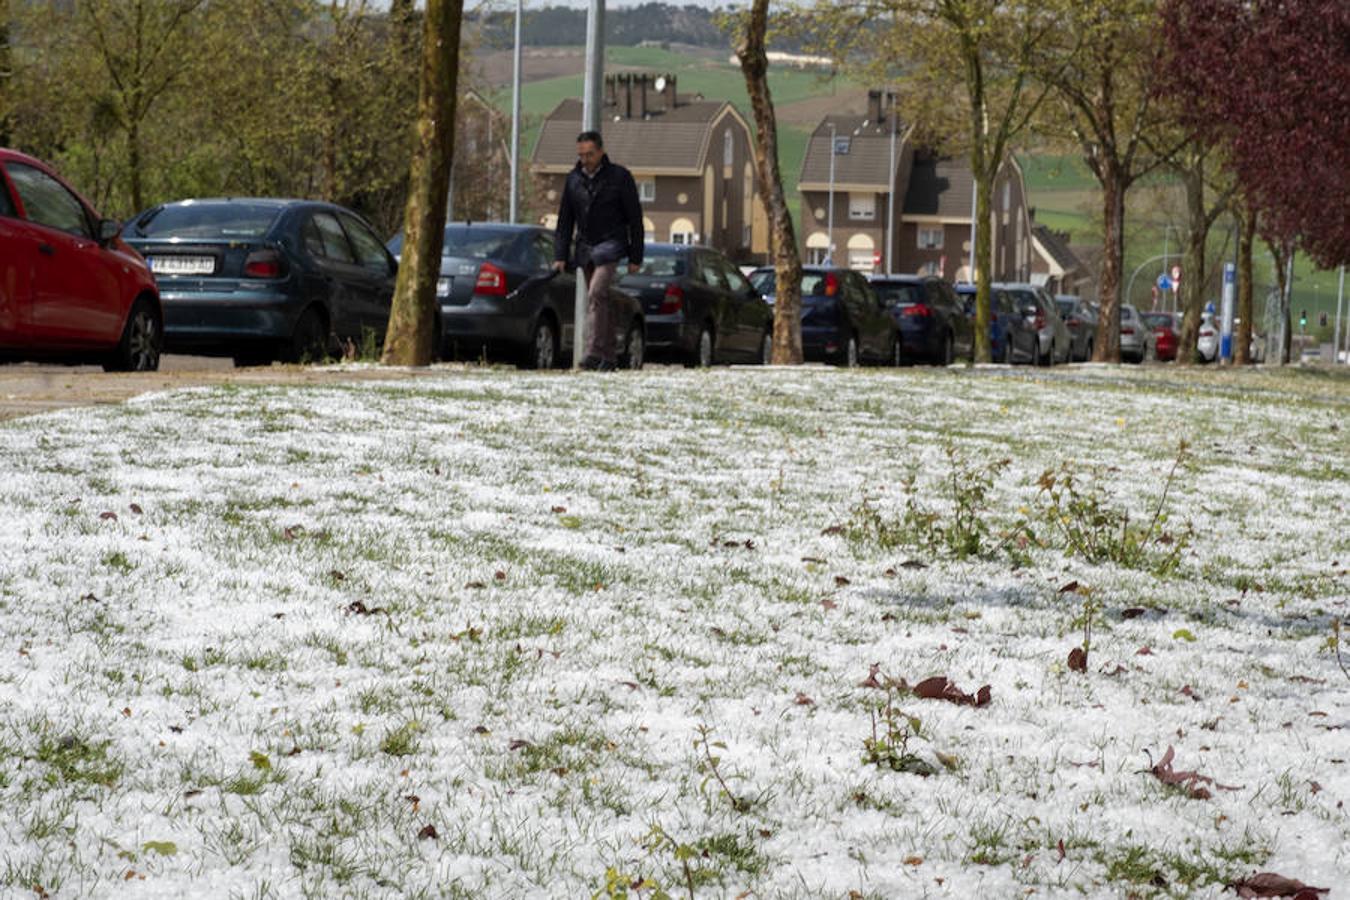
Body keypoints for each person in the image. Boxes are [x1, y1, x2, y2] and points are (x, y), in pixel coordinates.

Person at [552, 130, 644, 371]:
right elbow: (564, 221)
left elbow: (635, 218)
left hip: (612, 244)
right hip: (585, 247)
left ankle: (593, 352)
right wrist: (560, 255)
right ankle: (610, 356)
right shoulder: (573, 180)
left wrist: (636, 256)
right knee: (602, 300)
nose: (586, 159)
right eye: (581, 155)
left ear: (601, 152)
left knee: (596, 293)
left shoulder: (620, 177)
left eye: (590, 154)